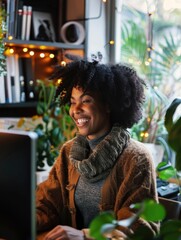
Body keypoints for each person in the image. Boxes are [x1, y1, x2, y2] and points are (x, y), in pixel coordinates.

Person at [36, 56, 159, 240]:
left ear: (108, 105)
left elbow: (140, 228)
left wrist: (84, 236)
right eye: (72, 101)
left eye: (86, 101)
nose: (76, 109)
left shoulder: (136, 158)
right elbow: (47, 205)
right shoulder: (69, 152)